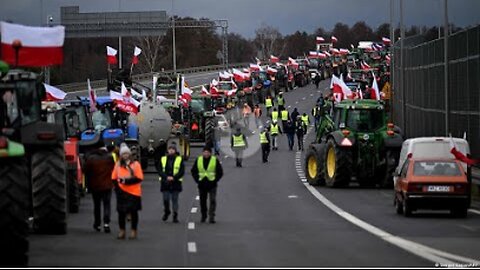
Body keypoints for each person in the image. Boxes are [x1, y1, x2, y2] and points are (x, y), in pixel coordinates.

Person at [111, 143, 144, 240]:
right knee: (121, 213)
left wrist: (126, 181)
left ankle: (133, 231)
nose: (125, 155)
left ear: (129, 154)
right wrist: (117, 189)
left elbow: (139, 178)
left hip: (134, 192)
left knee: (134, 213)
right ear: (121, 155)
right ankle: (122, 231)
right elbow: (113, 177)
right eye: (123, 154)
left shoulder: (136, 165)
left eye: (126, 154)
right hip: (122, 192)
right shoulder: (117, 165)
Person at [84, 146, 115, 233]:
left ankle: (97, 224)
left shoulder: (91, 158)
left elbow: (85, 170)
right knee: (107, 204)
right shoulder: (109, 157)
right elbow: (114, 168)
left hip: (95, 186)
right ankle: (106, 223)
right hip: (107, 185)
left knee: (97, 205)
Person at [191, 146, 224, 223]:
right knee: (203, 201)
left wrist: (215, 180)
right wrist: (197, 180)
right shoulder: (198, 160)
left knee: (212, 200)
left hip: (212, 184)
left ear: (210, 153)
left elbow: (220, 172)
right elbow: (193, 171)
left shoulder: (214, 160)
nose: (206, 153)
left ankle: (211, 216)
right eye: (204, 152)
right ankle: (204, 215)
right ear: (202, 153)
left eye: (207, 152)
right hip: (202, 184)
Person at [158, 145, 185, 223]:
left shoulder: (179, 159)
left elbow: (181, 171)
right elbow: (159, 170)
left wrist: (174, 177)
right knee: (165, 199)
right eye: (170, 149)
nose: (171, 151)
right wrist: (166, 177)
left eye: (173, 149)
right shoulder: (163, 159)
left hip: (176, 182)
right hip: (165, 182)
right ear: (168, 151)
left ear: (175, 151)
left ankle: (175, 215)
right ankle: (167, 211)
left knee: (174, 200)